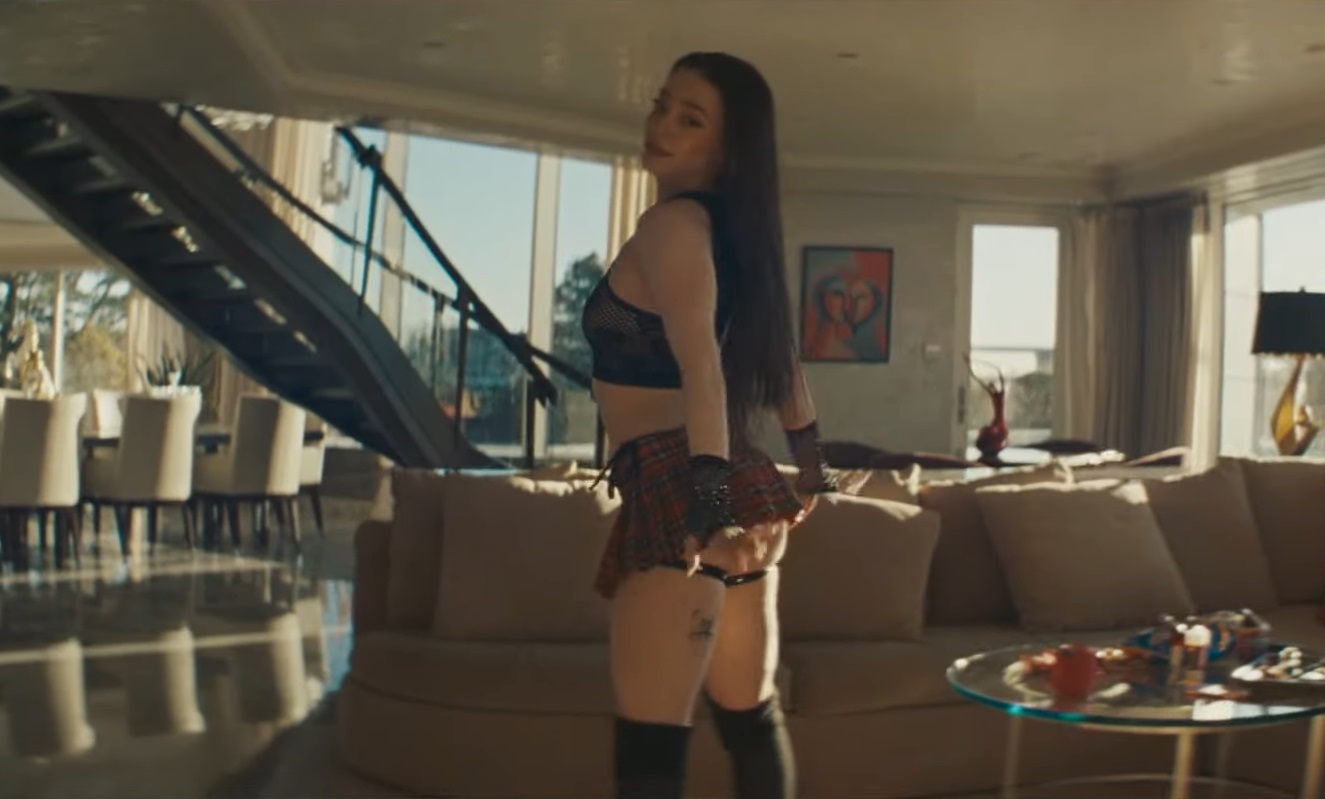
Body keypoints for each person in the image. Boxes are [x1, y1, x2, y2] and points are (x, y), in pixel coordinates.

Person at [581, 52, 858, 799]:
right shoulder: (734, 241)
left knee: (650, 753)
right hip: (738, 492)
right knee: (752, 724)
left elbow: (703, 368)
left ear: (728, 150)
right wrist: (810, 466)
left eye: (690, 119)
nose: (661, 125)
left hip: (685, 487)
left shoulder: (672, 226)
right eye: (662, 104)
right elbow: (783, 364)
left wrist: (703, 500)